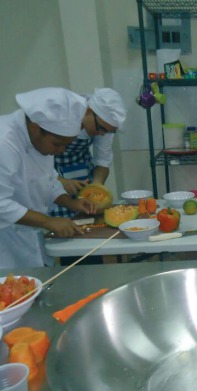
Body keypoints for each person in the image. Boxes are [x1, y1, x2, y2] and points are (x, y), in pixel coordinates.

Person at [0, 87, 98, 269]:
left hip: (27, 235)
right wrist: (48, 222)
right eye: (58, 145)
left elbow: (49, 179)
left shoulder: (40, 140)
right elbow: (1, 203)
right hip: (5, 241)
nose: (60, 151)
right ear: (37, 128)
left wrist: (71, 203)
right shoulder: (4, 142)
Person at [50, 88, 127, 218]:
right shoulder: (61, 118)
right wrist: (61, 181)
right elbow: (36, 164)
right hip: (51, 173)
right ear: (89, 111)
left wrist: (97, 184)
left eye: (108, 131)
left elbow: (102, 160)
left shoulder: (104, 123)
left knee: (86, 218)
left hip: (83, 170)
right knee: (60, 221)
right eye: (101, 129)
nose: (102, 134)